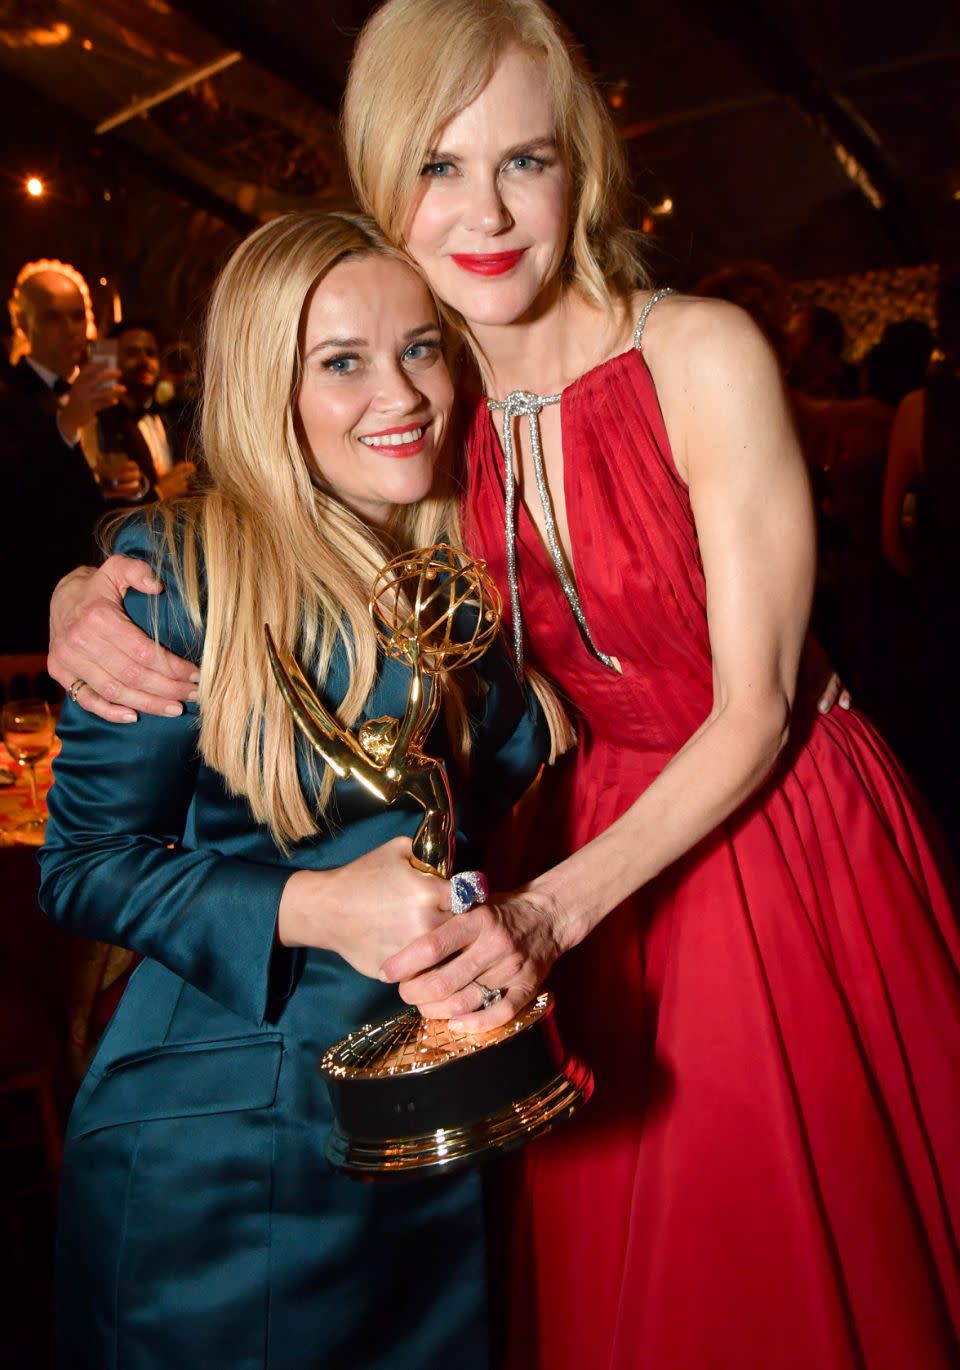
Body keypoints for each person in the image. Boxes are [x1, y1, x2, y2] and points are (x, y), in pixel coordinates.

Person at [47, 3, 960, 1367]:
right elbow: (261, 499)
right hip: (560, 870)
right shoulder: (434, 395)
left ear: (582, 165)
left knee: (778, 1270)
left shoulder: (698, 350)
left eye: (524, 160)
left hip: (757, 834)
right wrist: (86, 584)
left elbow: (757, 705)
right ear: (380, 181)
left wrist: (547, 911)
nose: (486, 209)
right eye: (439, 165)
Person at [38, 209, 558, 1370]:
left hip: (439, 1126)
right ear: (268, 385)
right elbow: (80, 865)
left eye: (422, 346)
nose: (403, 391)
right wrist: (316, 904)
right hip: (225, 1145)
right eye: (342, 362)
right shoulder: (179, 571)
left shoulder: (472, 566)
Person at [0, 260, 139, 650]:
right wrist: (66, 425)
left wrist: (137, 483)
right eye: (52, 318)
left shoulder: (102, 394)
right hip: (31, 606)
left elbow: (136, 477)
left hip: (110, 596)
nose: (70, 330)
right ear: (23, 324)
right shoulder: (10, 396)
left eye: (77, 316)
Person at [94, 318, 197, 501]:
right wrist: (158, 493)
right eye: (132, 353)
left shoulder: (165, 415)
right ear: (112, 361)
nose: (144, 361)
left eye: (150, 353)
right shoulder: (102, 421)